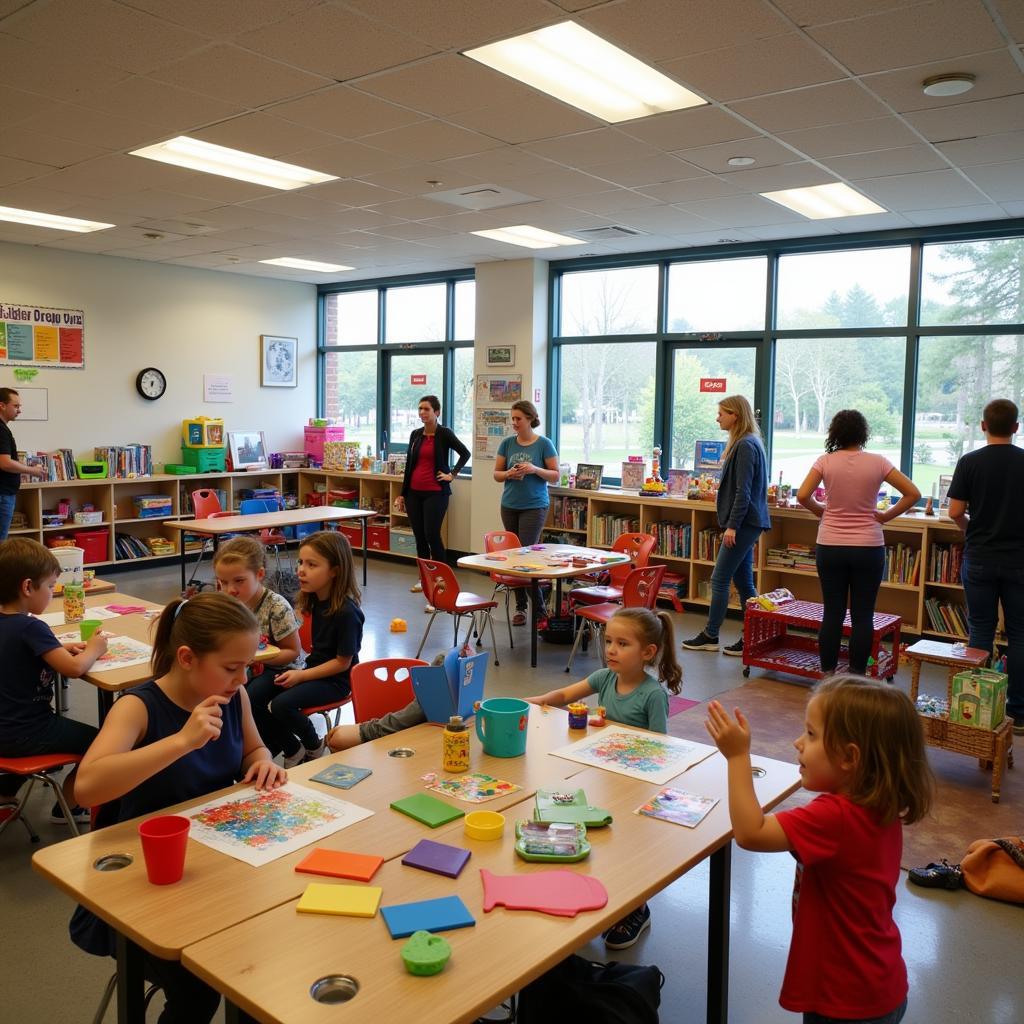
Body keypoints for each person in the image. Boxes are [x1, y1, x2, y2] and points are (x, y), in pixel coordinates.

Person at [70, 591, 284, 1024]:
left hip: (213, 866)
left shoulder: (232, 697)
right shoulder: (138, 707)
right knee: (202, 987)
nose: (242, 679)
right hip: (139, 885)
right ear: (186, 657)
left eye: (247, 667)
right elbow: (87, 788)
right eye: (231, 667)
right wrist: (182, 741)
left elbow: (254, 747)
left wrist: (262, 764)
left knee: (265, 956)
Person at [704, 675, 934, 1024]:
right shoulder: (879, 803)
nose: (798, 742)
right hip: (880, 982)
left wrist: (738, 757)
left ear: (849, 757)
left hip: (846, 999)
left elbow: (750, 833)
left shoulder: (835, 817)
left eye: (811, 734)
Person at [526, 607, 682, 949]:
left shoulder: (653, 695)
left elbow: (661, 748)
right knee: (598, 839)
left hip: (636, 786)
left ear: (647, 653)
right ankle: (593, 893)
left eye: (622, 644)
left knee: (629, 849)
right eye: (609, 641)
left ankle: (636, 907)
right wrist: (533, 702)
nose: (611, 649)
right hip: (602, 776)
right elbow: (565, 696)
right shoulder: (604, 678)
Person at [797, 410, 919, 675]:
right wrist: (885, 516)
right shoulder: (878, 462)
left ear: (835, 433)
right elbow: (913, 493)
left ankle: (828, 675)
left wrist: (822, 512)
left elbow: (803, 495)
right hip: (868, 546)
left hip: (830, 545)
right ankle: (856, 676)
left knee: (833, 613)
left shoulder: (825, 461)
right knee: (863, 615)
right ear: (863, 434)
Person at [0, 538, 107, 821]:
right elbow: (73, 669)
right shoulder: (31, 627)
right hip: (28, 731)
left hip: (4, 730)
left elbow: (16, 651)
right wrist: (94, 649)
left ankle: (4, 795)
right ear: (27, 587)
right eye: (49, 586)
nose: (52, 593)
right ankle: (69, 807)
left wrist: (54, 649)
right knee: (102, 743)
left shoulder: (17, 628)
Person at [248, 530, 363, 766]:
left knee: (282, 704)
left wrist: (301, 676)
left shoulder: (347, 613)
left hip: (337, 681)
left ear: (335, 570)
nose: (301, 570)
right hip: (312, 670)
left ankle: (313, 743)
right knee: (251, 696)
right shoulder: (317, 599)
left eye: (312, 565)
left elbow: (342, 662)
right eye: (301, 562)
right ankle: (290, 747)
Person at [947, 398, 1024, 736]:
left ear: (983, 426)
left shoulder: (970, 462)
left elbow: (954, 512)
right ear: (1016, 428)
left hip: (979, 557)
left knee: (980, 630)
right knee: (1020, 634)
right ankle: (1018, 712)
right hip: (1019, 560)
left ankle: (977, 708)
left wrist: (971, 530)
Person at [682, 395, 770, 656]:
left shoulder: (745, 445)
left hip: (743, 523)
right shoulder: (749, 442)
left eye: (722, 413)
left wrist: (732, 526)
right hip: (748, 522)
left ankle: (711, 634)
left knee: (719, 579)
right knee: (744, 583)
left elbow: (743, 492)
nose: (717, 418)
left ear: (736, 415)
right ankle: (752, 636)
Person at [493, 399, 560, 625]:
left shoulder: (544, 444)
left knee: (526, 555)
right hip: (510, 504)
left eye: (518, 419)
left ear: (530, 419)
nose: (514, 423)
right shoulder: (507, 443)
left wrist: (534, 469)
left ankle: (540, 610)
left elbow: (555, 475)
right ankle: (520, 607)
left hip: (534, 505)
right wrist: (509, 473)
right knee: (514, 557)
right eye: (512, 418)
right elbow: (496, 474)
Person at [401, 395, 470, 596]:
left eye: (427, 409)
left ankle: (441, 580)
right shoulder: (415, 435)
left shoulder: (444, 434)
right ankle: (424, 579)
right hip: (414, 493)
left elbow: (465, 453)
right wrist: (402, 494)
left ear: (436, 412)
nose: (422, 412)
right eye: (420, 408)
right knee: (419, 537)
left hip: (436, 493)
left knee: (432, 535)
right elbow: (409, 466)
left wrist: (452, 474)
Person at [213, 536, 304, 685]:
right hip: (245, 664)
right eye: (223, 582)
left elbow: (293, 652)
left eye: (239, 581)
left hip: (281, 669)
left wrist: (252, 658)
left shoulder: (277, 607)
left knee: (250, 694)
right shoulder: (228, 604)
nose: (230, 590)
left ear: (259, 574)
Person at [0, 387, 47, 540]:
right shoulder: (1, 430)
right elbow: (5, 463)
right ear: (2, 405)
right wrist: (31, 470)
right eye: (16, 406)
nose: (19, 410)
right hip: (3, 494)